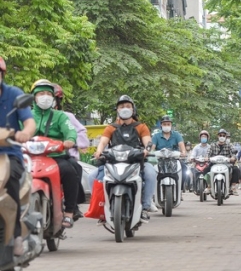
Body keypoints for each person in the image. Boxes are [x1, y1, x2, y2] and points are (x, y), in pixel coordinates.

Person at [91, 95, 155, 223]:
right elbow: (103, 142)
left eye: (128, 106)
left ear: (133, 109)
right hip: (113, 162)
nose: (124, 109)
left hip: (137, 161)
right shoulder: (111, 127)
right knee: (92, 177)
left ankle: (145, 208)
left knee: (151, 174)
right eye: (121, 106)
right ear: (117, 110)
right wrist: (98, 151)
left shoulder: (141, 126)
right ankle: (102, 209)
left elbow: (148, 142)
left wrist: (146, 150)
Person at [30, 79, 79, 229]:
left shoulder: (60, 116)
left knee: (70, 172)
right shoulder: (25, 115)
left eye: (48, 94)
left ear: (53, 97)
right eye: (41, 93)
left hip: (55, 157)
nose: (45, 96)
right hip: (30, 158)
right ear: (34, 97)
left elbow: (70, 130)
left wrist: (70, 140)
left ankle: (70, 212)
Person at [0, 56, 37, 255]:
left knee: (9, 181)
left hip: (8, 155)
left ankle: (15, 236)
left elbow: (29, 121)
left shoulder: (14, 94)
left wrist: (25, 133)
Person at [53, 83, 89, 220]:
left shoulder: (65, 116)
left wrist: (74, 143)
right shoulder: (32, 116)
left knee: (74, 169)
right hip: (39, 155)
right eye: (41, 95)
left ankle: (72, 206)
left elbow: (79, 132)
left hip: (64, 155)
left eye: (50, 97)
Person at [151, 115, 187, 190]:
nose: (166, 126)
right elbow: (152, 148)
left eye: (168, 124)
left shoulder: (177, 135)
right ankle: (154, 190)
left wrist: (183, 152)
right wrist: (150, 153)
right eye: (164, 124)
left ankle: (179, 189)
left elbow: (182, 146)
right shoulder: (156, 136)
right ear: (161, 125)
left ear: (171, 125)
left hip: (174, 160)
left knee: (184, 168)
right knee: (151, 170)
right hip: (159, 161)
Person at [204, 128, 241, 195]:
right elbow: (208, 153)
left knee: (236, 169)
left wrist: (233, 157)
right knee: (206, 169)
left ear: (226, 137)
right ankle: (209, 186)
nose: (222, 137)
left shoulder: (229, 145)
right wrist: (207, 157)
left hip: (226, 164)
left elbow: (234, 153)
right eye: (220, 135)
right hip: (214, 164)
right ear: (218, 136)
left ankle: (233, 187)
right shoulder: (212, 145)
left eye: (224, 135)